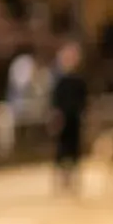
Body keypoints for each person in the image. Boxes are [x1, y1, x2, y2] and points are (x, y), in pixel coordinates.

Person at [47, 41, 89, 195]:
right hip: (63, 119)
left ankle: (73, 181)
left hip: (75, 119)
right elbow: (55, 102)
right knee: (61, 149)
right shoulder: (59, 80)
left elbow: (85, 102)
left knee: (75, 149)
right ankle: (60, 180)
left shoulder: (79, 80)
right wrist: (55, 118)